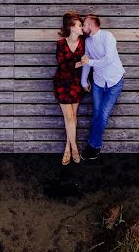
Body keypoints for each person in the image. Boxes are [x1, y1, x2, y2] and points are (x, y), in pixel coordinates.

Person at [75, 13, 125, 161]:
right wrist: (84, 81)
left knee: (103, 114)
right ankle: (95, 147)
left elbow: (108, 60)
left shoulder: (107, 37)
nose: (83, 27)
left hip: (114, 82)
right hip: (98, 82)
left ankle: (92, 146)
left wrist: (90, 62)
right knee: (97, 114)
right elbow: (86, 62)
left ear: (91, 25)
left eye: (84, 25)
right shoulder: (88, 42)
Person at [53, 11, 88, 165]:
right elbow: (63, 65)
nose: (82, 28)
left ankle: (67, 147)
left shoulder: (84, 43)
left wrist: (86, 80)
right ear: (71, 27)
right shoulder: (61, 43)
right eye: (80, 25)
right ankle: (74, 148)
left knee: (73, 116)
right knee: (68, 117)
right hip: (62, 82)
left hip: (76, 83)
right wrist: (81, 63)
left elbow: (89, 64)